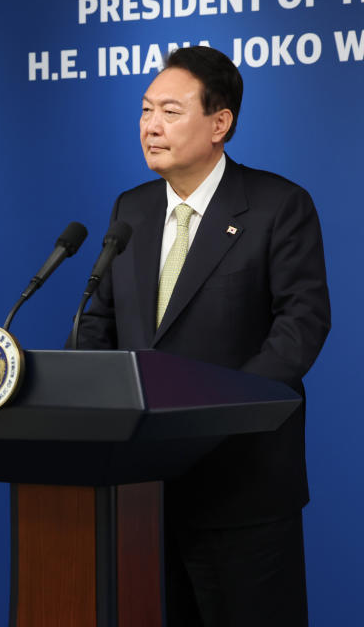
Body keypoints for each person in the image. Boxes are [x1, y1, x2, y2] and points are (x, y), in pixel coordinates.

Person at [74, 46, 330, 626]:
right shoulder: (131, 210)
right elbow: (99, 324)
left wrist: (218, 415)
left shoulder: (277, 206)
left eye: (169, 110)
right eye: (144, 110)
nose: (151, 126)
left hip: (242, 484)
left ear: (220, 123)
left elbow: (301, 325)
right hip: (142, 489)